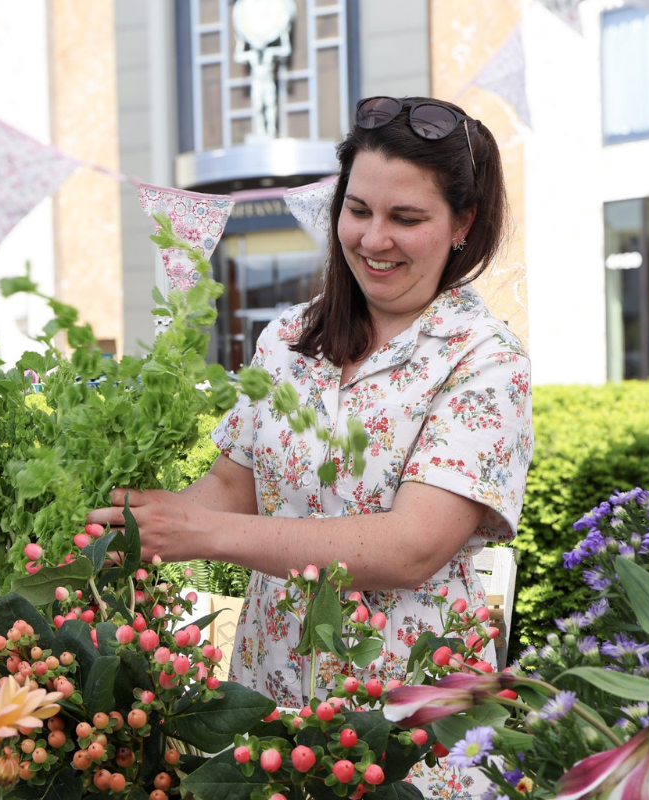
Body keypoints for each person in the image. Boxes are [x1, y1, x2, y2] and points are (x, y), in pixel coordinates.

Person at [88, 97, 533, 797]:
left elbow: (412, 547)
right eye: (358, 210)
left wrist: (203, 533)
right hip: (272, 704)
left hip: (406, 723)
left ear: (462, 224)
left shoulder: (484, 360)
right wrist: (120, 527)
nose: (374, 238)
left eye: (406, 218)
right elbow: (231, 488)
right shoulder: (289, 339)